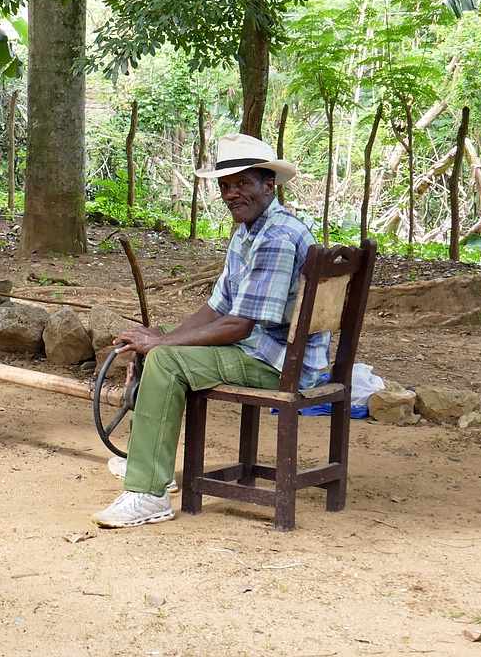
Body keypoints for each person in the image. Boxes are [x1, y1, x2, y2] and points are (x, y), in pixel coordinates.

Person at [90, 133, 320, 529]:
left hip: (279, 361)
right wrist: (157, 341)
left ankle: (147, 492)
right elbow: (217, 307)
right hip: (259, 350)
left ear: (269, 185)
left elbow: (238, 325)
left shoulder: (276, 238)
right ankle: (147, 463)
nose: (233, 194)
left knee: (165, 360)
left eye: (243, 183)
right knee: (160, 353)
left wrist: (160, 344)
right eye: (226, 186)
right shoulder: (249, 230)